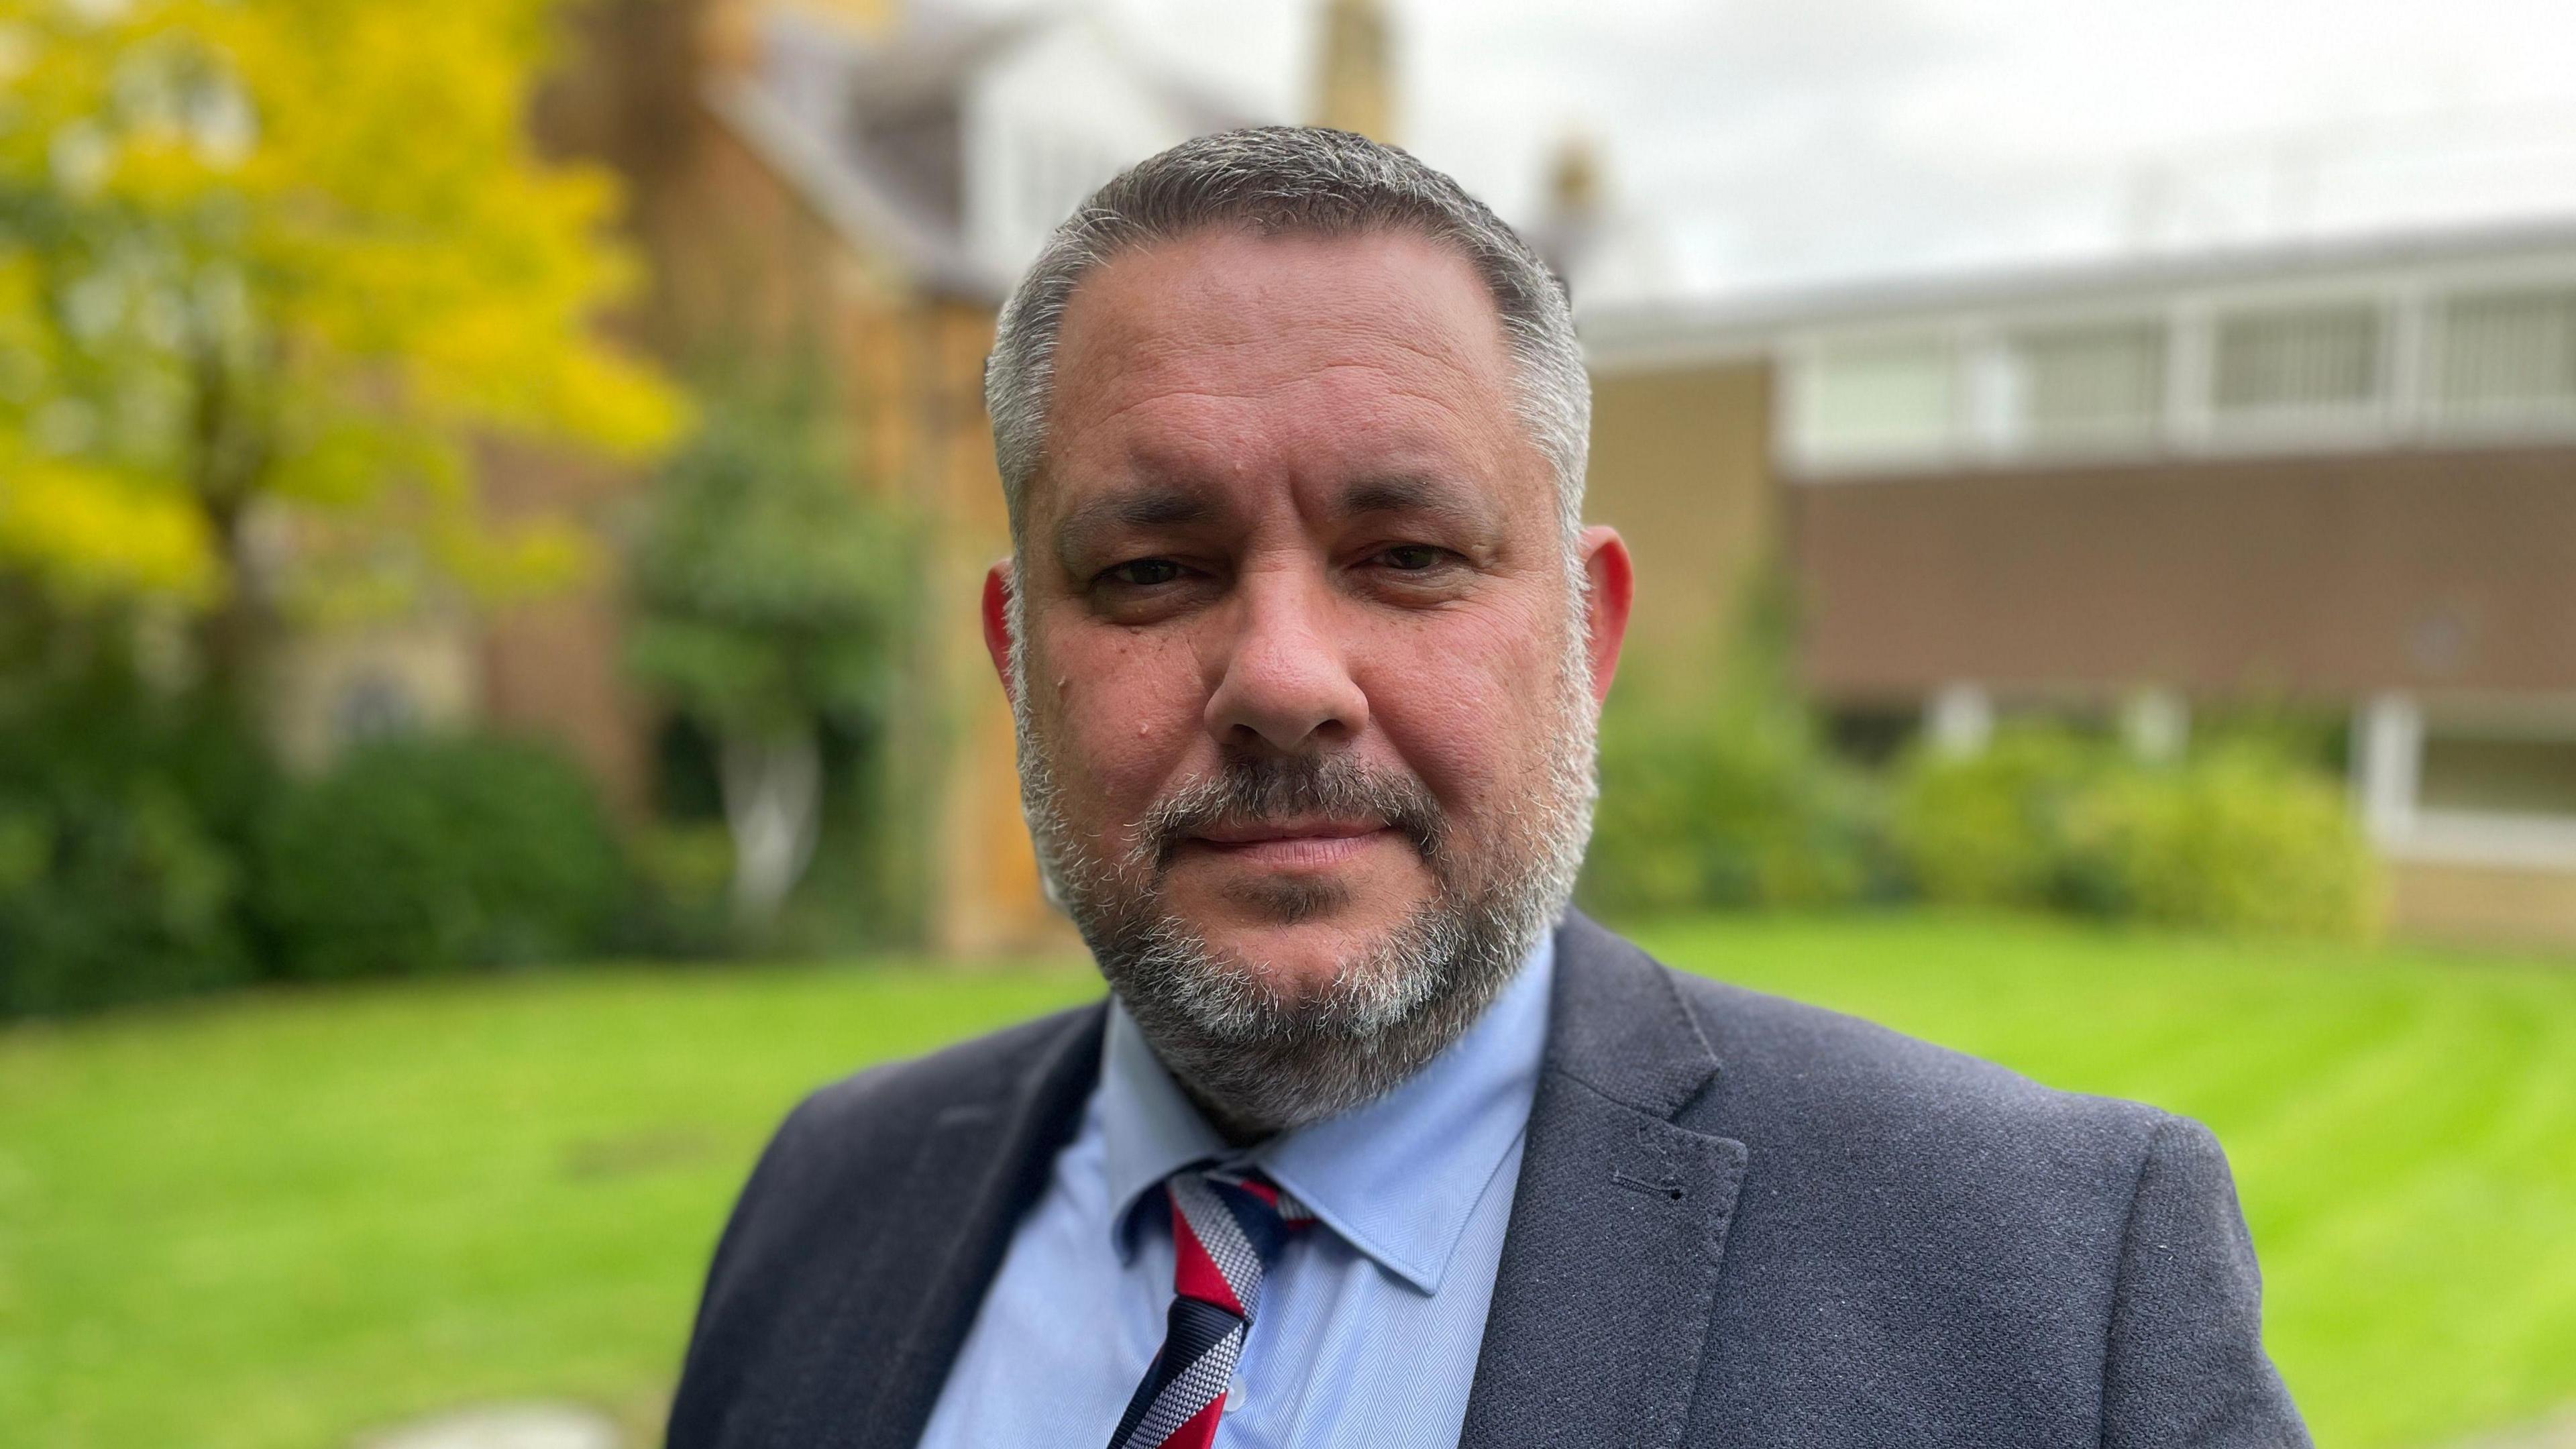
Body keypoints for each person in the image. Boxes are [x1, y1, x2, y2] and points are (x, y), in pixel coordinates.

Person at [665, 126, 2309, 1449]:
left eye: (1407, 556)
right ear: (1018, 653)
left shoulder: (2046, 1284)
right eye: (1156, 570)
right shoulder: (831, 1195)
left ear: (1583, 635)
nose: (1287, 681)